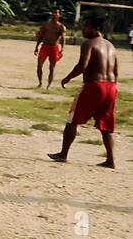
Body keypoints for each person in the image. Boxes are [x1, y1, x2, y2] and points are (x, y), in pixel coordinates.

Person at [50, 16, 118, 168]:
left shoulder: (88, 44)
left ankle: (63, 154)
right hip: (111, 86)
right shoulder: (110, 45)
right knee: (105, 124)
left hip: (94, 86)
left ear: (96, 29)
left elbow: (82, 65)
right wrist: (112, 88)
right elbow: (116, 70)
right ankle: (111, 160)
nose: (83, 29)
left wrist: (67, 78)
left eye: (86, 26)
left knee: (72, 119)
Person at [34, 8, 67, 88]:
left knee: (52, 67)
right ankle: (40, 83)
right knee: (39, 65)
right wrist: (36, 47)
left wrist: (62, 50)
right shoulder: (45, 25)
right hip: (44, 47)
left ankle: (48, 85)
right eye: (53, 12)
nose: (54, 14)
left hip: (54, 48)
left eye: (56, 13)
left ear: (59, 15)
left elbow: (63, 39)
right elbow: (40, 36)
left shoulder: (61, 27)